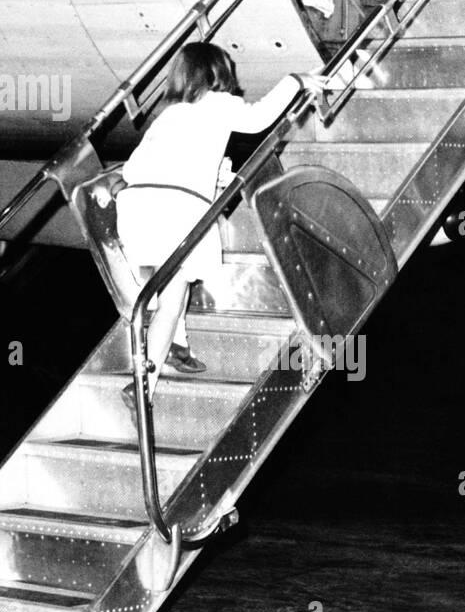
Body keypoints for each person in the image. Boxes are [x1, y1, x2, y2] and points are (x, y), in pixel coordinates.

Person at [116, 42, 326, 412]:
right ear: (214, 74)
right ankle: (142, 386)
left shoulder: (167, 115)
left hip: (136, 208)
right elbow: (260, 118)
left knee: (164, 286)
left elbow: (133, 170)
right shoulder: (218, 103)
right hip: (174, 211)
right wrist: (297, 80)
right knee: (174, 296)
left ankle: (177, 343)